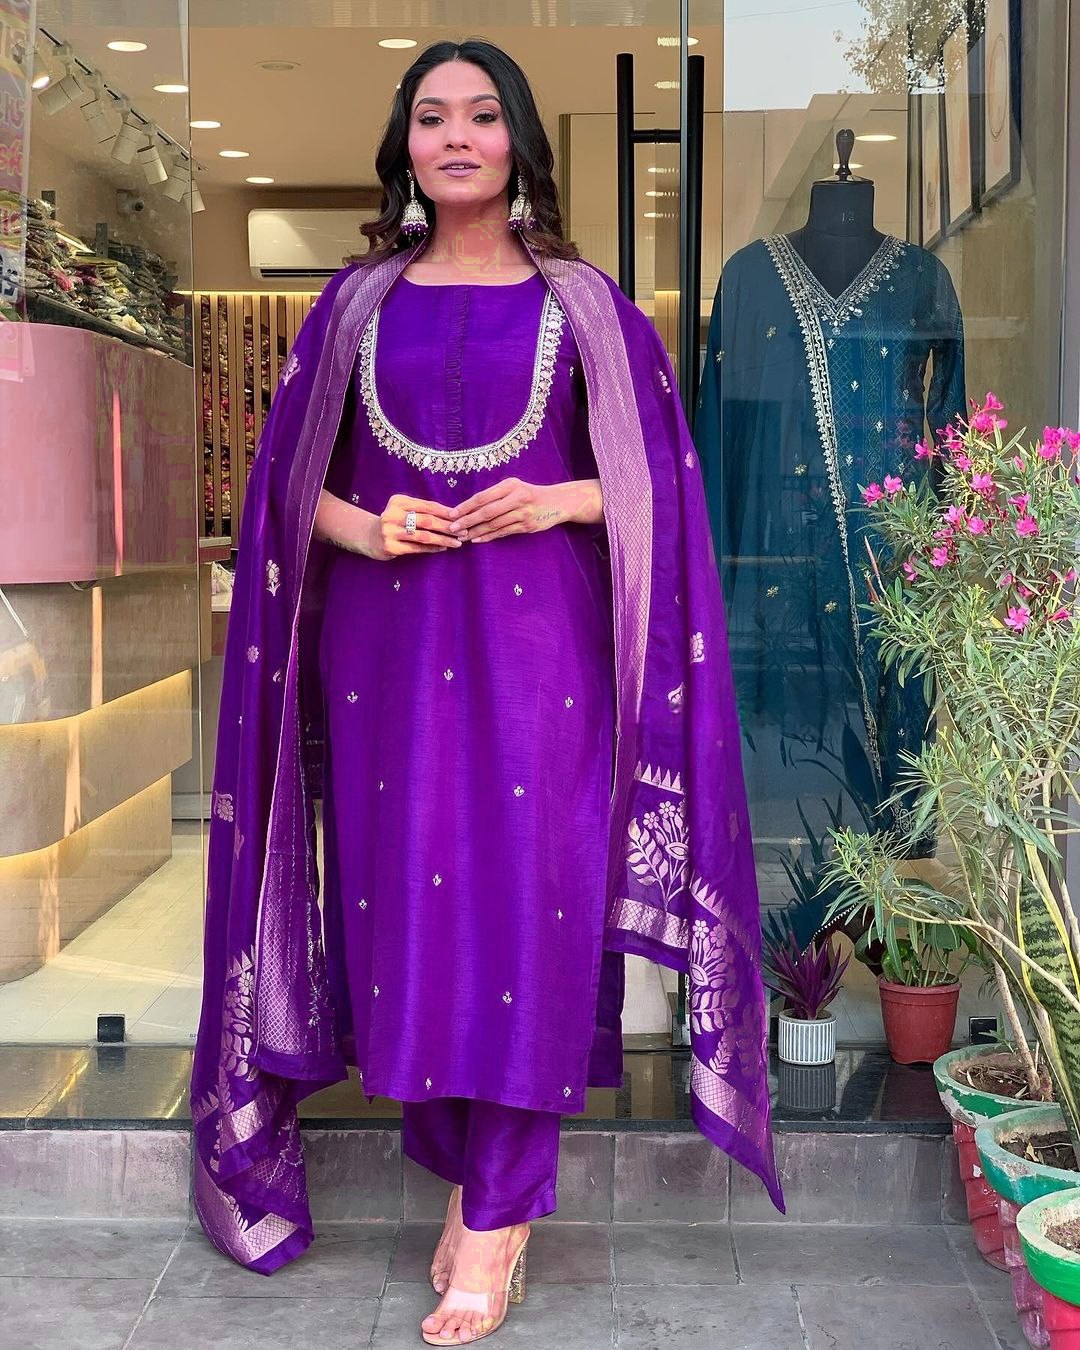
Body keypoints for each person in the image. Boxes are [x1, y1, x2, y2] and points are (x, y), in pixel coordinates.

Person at [190, 37, 781, 1347]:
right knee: (404, 908)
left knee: (529, 908)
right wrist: (368, 524)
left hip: (542, 660)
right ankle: (471, 1172)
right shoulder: (353, 307)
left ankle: (500, 1209)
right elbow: (286, 487)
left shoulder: (590, 307)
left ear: (519, 142)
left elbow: (663, 484)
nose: (457, 135)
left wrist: (560, 495)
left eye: (482, 114)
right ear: (404, 147)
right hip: (387, 658)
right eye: (432, 116)